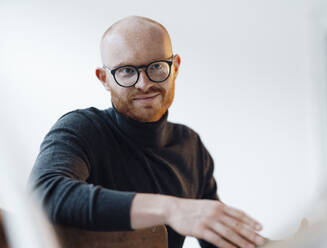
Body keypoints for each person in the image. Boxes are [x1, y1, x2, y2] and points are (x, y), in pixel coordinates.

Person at [29, 16, 266, 248]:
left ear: (175, 68)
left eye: (156, 66)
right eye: (126, 71)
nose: (144, 83)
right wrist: (171, 209)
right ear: (104, 79)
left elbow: (217, 236)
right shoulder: (82, 129)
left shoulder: (190, 145)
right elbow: (43, 194)